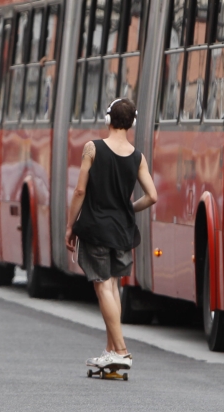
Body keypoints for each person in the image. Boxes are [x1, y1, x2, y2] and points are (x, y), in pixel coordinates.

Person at [65, 98, 157, 370]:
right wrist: (129, 207)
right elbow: (152, 196)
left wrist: (70, 225)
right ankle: (109, 350)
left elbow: (80, 191)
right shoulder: (137, 156)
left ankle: (122, 351)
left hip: (95, 228)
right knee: (112, 286)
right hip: (122, 231)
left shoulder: (93, 148)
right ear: (132, 124)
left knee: (103, 286)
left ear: (108, 120)